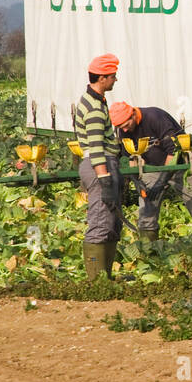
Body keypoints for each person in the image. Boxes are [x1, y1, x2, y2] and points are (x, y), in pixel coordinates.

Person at [110, 102, 192, 244]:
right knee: (147, 211)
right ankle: (149, 250)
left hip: (181, 164)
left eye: (126, 124)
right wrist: (137, 182)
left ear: (133, 114)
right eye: (120, 127)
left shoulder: (155, 117)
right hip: (152, 167)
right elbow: (132, 156)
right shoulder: (124, 130)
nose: (124, 129)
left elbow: (173, 151)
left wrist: (161, 182)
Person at [74, 53, 124, 280]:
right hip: (99, 166)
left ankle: (106, 277)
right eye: (112, 76)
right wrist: (104, 179)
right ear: (102, 78)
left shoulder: (94, 100)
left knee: (112, 222)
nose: (115, 80)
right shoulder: (94, 107)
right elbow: (95, 147)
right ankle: (96, 281)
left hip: (102, 164)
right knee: (101, 222)